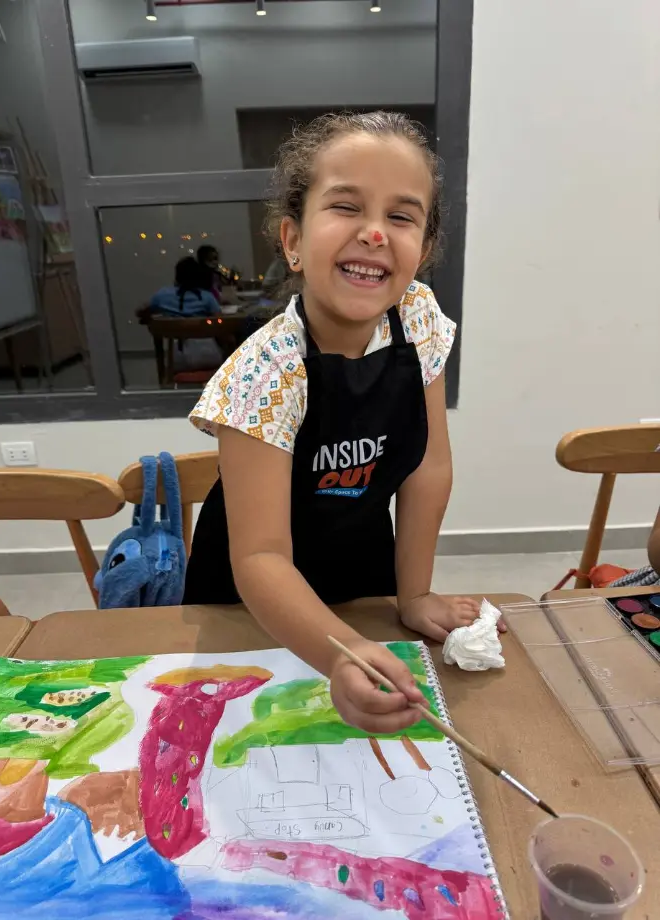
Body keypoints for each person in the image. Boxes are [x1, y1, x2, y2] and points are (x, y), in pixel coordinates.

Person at [184, 111, 480, 734]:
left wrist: (413, 594)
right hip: (251, 594)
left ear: (424, 251)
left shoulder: (418, 319)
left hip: (362, 562)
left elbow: (427, 466)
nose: (374, 233)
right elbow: (260, 554)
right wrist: (339, 653)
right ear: (292, 240)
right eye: (346, 207)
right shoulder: (264, 371)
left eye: (401, 216)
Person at [149, 256, 221, 318]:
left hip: (169, 330)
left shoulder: (162, 295)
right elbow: (218, 319)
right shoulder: (207, 297)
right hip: (198, 330)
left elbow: (145, 313)